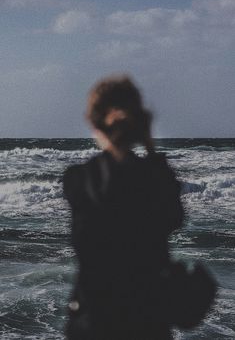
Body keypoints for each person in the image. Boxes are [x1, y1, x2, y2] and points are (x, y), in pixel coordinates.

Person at [63, 75, 184, 340]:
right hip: (148, 319)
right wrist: (150, 146)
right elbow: (175, 217)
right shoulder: (155, 178)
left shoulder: (78, 179)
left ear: (92, 121)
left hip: (93, 320)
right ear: (141, 122)